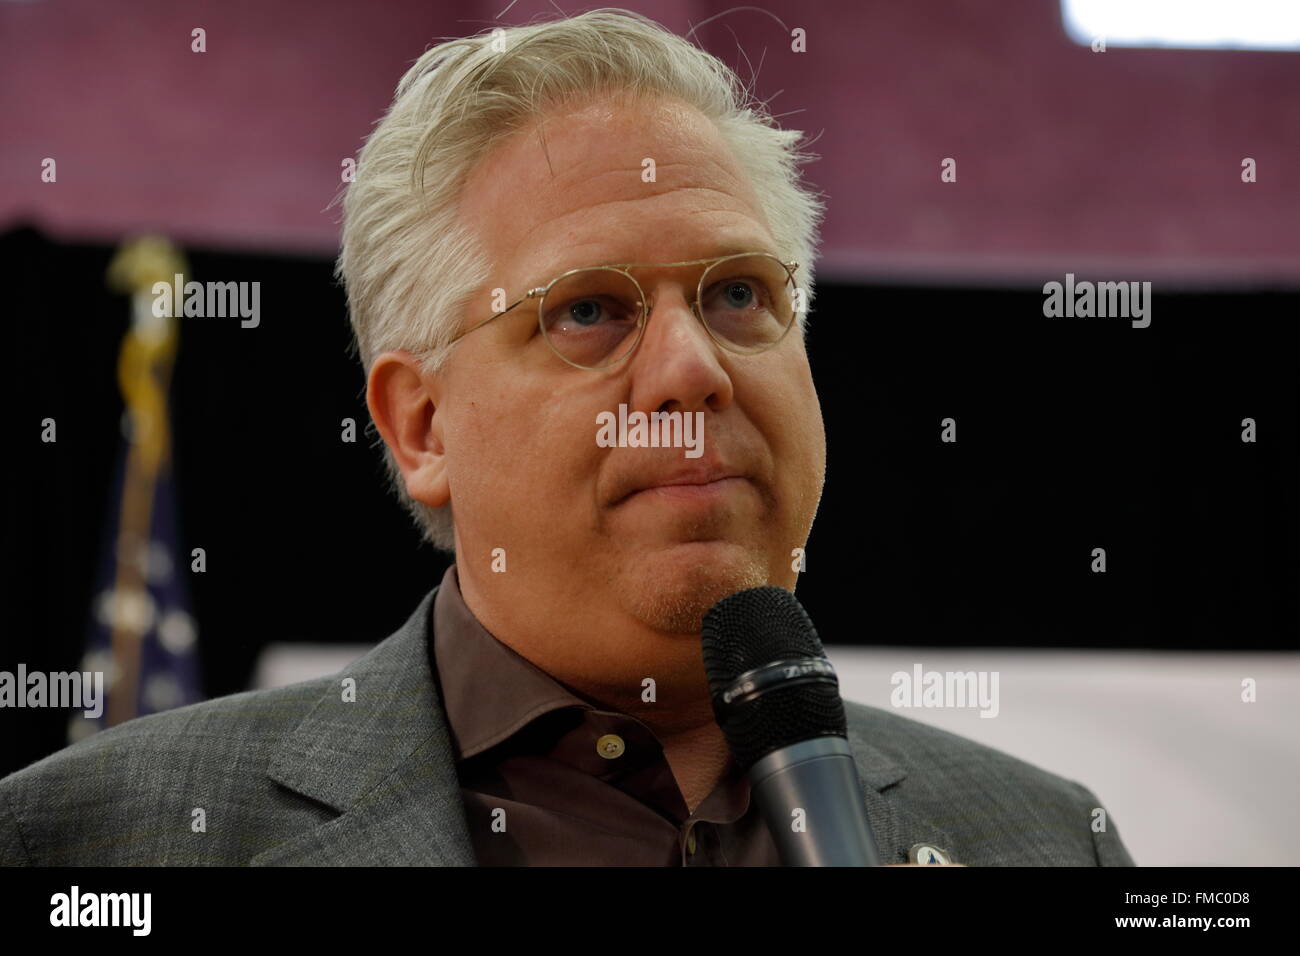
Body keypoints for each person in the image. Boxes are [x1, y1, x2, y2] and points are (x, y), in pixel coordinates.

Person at [0, 8, 1134, 866]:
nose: (693, 368)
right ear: (421, 423)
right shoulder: (92, 840)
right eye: (589, 309)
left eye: (739, 294)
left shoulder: (1041, 837)